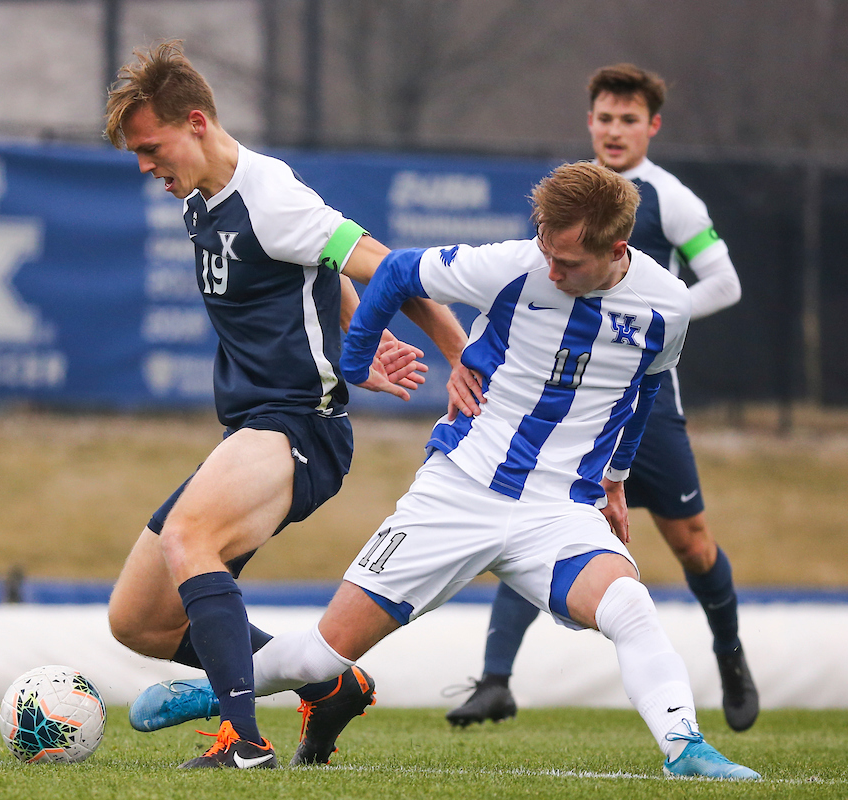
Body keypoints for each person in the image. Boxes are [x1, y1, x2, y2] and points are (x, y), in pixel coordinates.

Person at [137, 161, 761, 780]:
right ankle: (219, 691)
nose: (551, 269)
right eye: (546, 248)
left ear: (616, 249)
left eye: (568, 262)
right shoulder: (514, 265)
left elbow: (644, 389)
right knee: (327, 654)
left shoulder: (668, 307)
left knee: (629, 606)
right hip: (457, 490)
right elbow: (398, 271)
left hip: (558, 511)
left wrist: (617, 478)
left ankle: (687, 749)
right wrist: (356, 361)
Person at [102, 41, 469, 769]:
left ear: (197, 122)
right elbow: (321, 271)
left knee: (187, 539)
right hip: (255, 426)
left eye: (151, 148)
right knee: (138, 620)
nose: (147, 167)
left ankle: (243, 743)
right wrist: (353, 346)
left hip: (300, 426)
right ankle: (325, 683)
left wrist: (460, 357)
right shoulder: (203, 197)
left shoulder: (270, 198)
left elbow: (388, 265)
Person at [445, 63, 758, 734]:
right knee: (535, 517)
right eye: (606, 118)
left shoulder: (670, 199)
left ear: (653, 127)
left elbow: (724, 283)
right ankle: (496, 680)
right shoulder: (573, 197)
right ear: (590, 122)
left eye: (630, 120)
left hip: (646, 406)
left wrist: (644, 331)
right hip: (567, 406)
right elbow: (527, 286)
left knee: (692, 543)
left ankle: (730, 655)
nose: (616, 131)